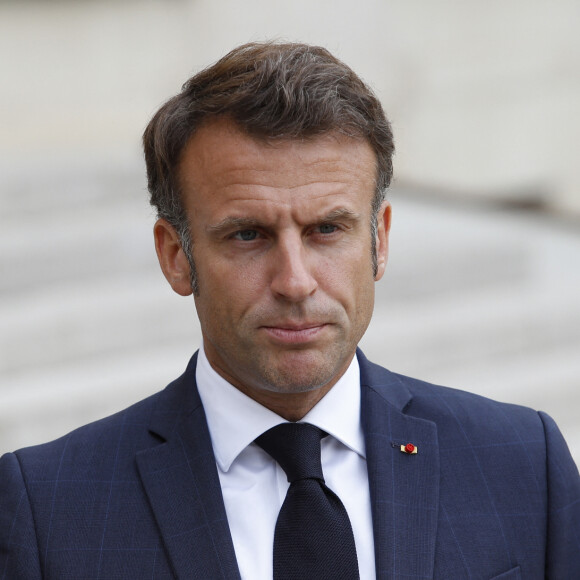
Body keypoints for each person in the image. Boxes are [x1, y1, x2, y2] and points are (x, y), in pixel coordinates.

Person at [0, 41, 578, 580]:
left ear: (379, 240)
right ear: (176, 256)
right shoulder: (49, 508)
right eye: (248, 235)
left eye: (327, 229)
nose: (296, 282)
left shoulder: (524, 462)